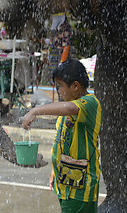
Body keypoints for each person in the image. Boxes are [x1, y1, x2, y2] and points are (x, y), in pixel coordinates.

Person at [22, 59, 102, 213]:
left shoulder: (90, 103)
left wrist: (35, 111)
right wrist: (54, 168)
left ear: (75, 86)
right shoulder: (65, 109)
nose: (58, 90)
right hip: (66, 182)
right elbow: (60, 141)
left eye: (60, 86)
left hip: (81, 187)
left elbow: (70, 108)